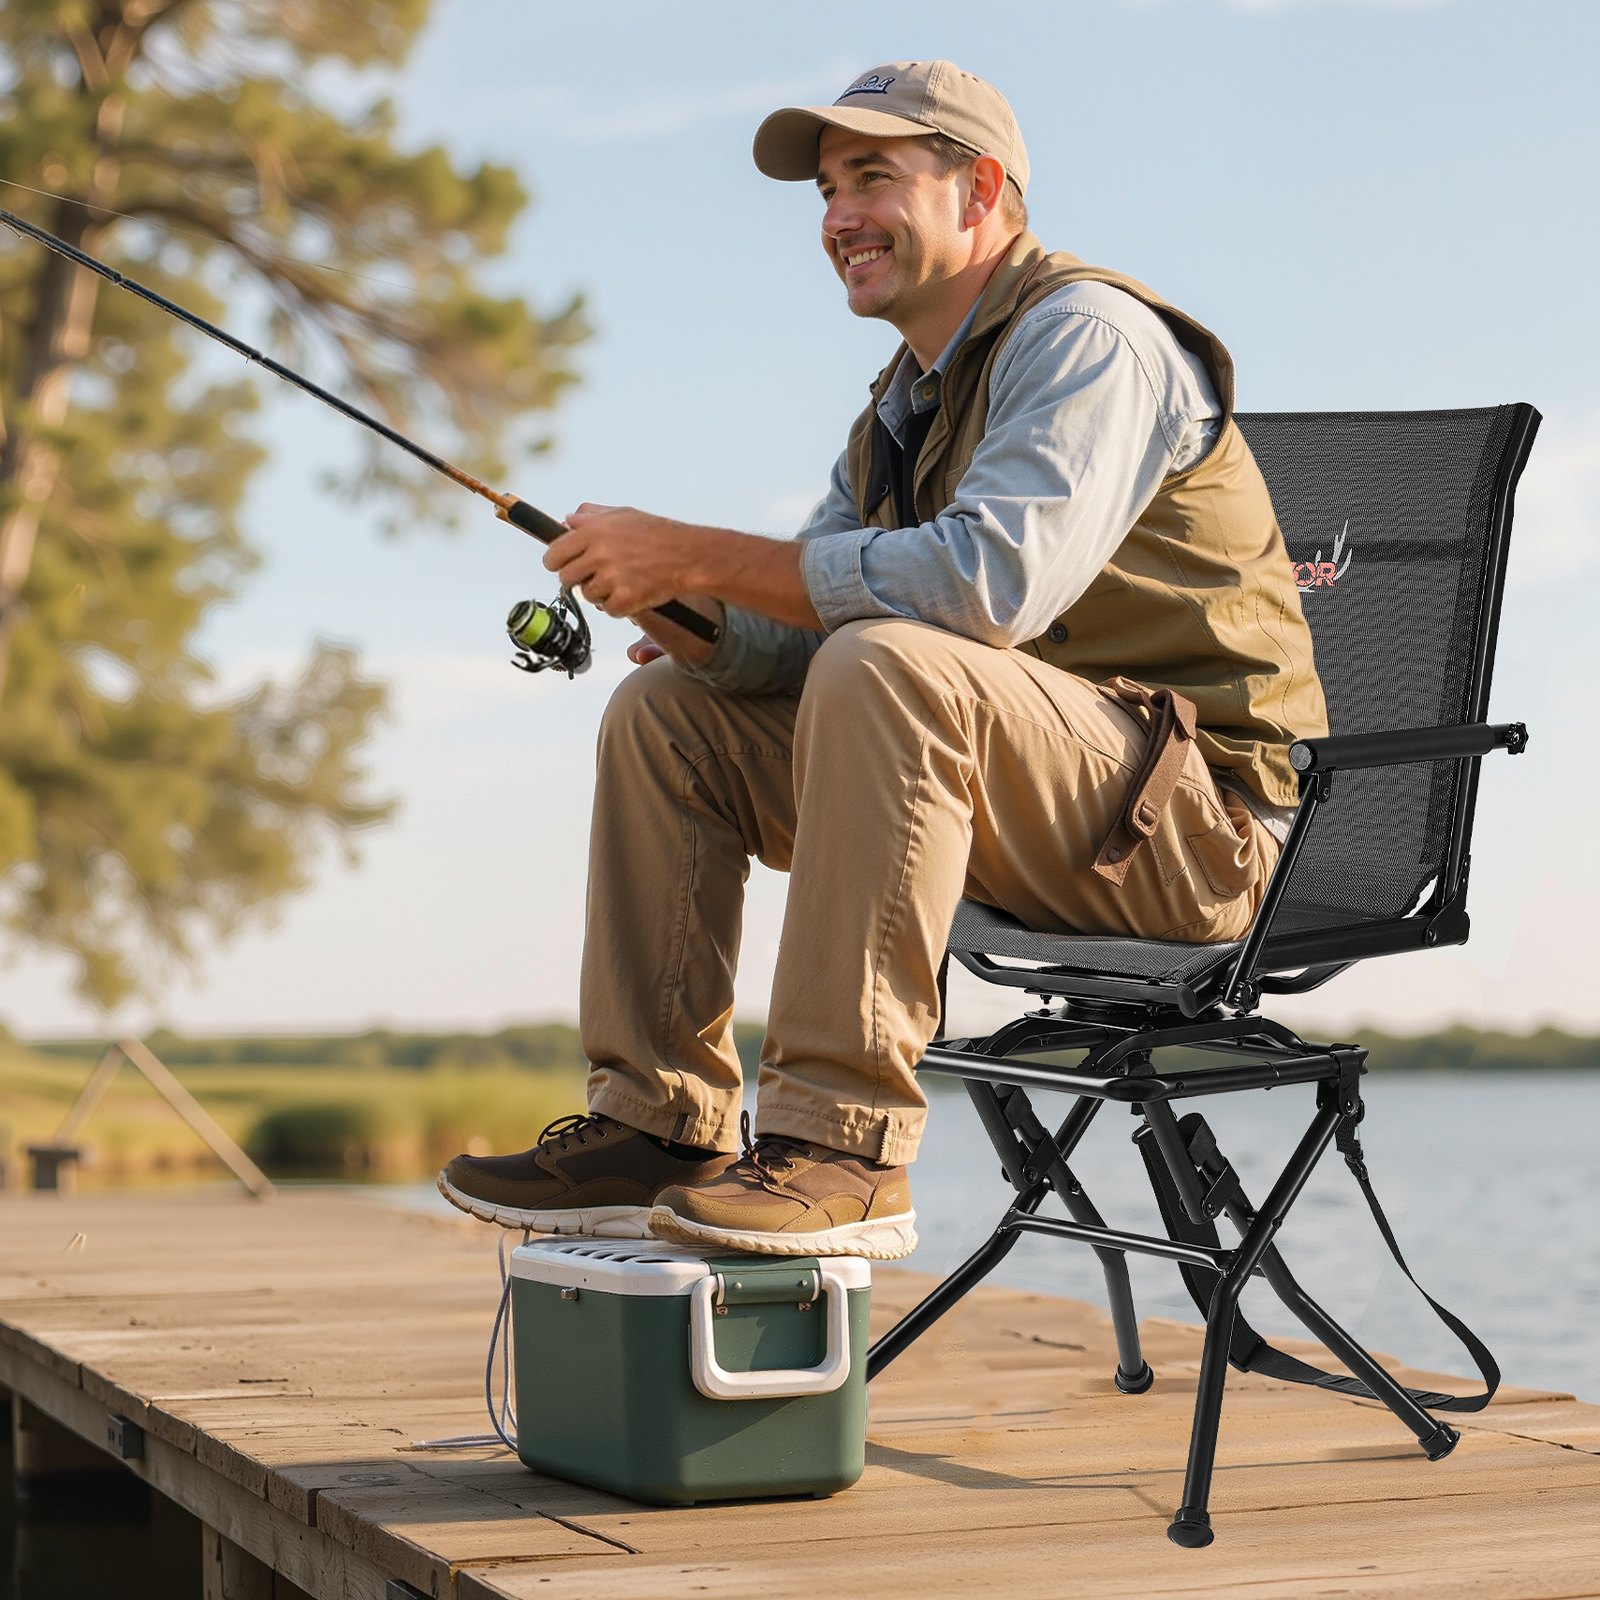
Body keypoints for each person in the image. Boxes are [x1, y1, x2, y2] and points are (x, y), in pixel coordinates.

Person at [439, 60, 1327, 1260]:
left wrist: (699, 551)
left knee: (892, 664)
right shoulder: (900, 407)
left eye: (871, 178)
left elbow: (984, 585)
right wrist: (699, 614)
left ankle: (844, 1149)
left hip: (1199, 837)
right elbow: (804, 620)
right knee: (664, 709)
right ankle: (658, 1126)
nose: (839, 217)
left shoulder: (1090, 337)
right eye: (826, 190)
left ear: (980, 191)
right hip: (1034, 803)